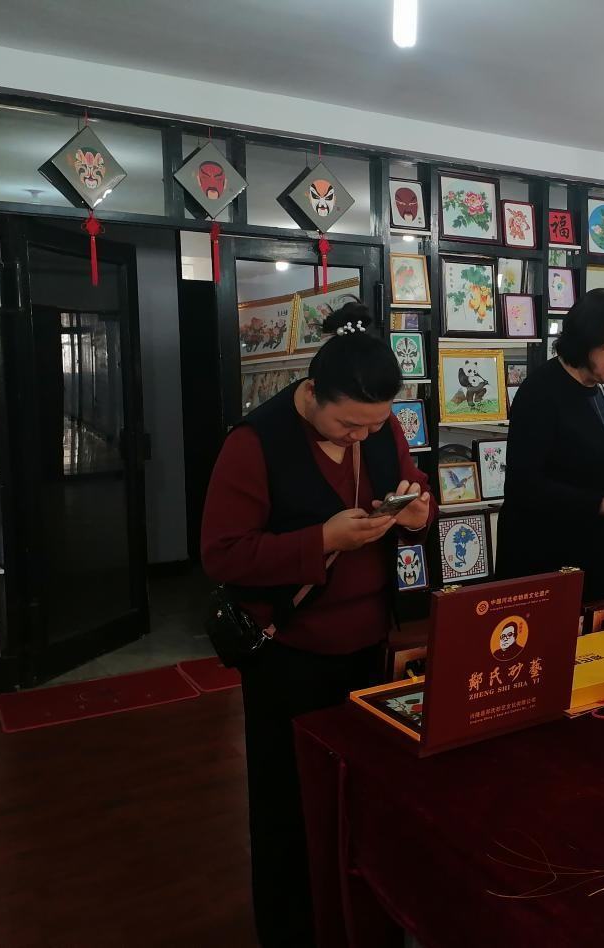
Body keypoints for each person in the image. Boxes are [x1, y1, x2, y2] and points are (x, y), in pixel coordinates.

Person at [200, 302, 435, 946]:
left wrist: (418, 510)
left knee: (364, 792)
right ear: (311, 392)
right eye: (348, 424)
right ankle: (293, 929)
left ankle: (365, 918)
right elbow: (223, 555)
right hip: (290, 652)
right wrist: (322, 540)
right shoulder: (255, 442)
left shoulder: (379, 427)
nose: (362, 436)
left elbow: (412, 483)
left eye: (375, 424)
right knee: (289, 804)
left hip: (370, 644)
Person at [494, 288, 604, 601]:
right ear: (586, 339)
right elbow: (524, 486)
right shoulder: (540, 392)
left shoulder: (602, 391)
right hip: (542, 554)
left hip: (592, 544)